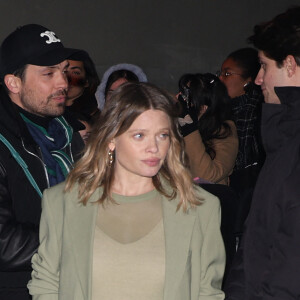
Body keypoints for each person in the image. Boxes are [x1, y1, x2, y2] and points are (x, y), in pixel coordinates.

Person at [28, 82, 225, 300]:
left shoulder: (200, 208)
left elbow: (208, 292)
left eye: (163, 135)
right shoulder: (62, 202)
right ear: (111, 139)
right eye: (139, 135)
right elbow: (46, 283)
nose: (154, 147)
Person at [0, 24, 84, 300]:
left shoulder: (67, 130)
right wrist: (77, 242)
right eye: (48, 73)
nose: (63, 82)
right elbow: (4, 243)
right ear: (13, 82)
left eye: (64, 70)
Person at [224, 6, 300, 300]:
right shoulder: (284, 138)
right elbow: (259, 244)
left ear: (290, 65)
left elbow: (290, 264)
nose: (258, 79)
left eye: (264, 66)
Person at [218, 48, 265, 245]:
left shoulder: (249, 110)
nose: (221, 79)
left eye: (227, 74)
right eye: (220, 73)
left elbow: (240, 158)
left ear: (248, 79)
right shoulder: (229, 110)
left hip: (247, 198)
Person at [177, 73, 238, 185]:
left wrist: (189, 128)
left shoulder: (224, 131)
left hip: (208, 199)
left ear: (204, 107)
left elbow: (207, 176)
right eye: (182, 94)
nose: (180, 99)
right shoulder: (174, 127)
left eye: (187, 97)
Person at [65, 50, 100, 119]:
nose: (67, 78)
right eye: (64, 71)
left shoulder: (96, 112)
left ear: (87, 81)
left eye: (75, 73)